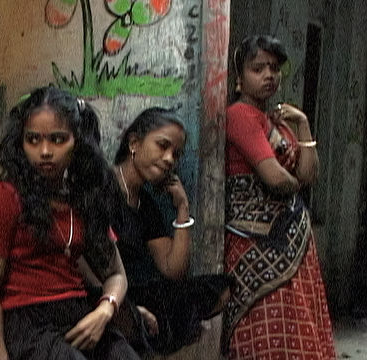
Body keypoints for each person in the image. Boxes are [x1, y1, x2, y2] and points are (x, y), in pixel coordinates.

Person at [0, 86, 139, 360]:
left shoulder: (84, 199)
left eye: (58, 139)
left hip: (77, 314)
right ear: (21, 143)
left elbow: (116, 275)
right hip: (25, 323)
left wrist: (104, 309)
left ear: (78, 142)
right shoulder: (3, 197)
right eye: (33, 140)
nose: (45, 151)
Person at [223, 34, 335, 359]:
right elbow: (276, 179)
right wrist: (295, 181)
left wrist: (303, 124)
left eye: (274, 68)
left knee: (295, 329)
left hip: (291, 247)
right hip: (260, 248)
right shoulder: (240, 115)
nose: (269, 75)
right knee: (267, 335)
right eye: (258, 68)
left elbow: (308, 174)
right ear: (239, 78)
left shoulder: (275, 120)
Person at [109, 107, 233, 355]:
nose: (168, 159)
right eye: (162, 146)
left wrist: (182, 208)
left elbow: (173, 269)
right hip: (106, 293)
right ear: (134, 143)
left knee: (220, 289)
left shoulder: (145, 203)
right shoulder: (104, 187)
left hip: (138, 293)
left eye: (175, 154)